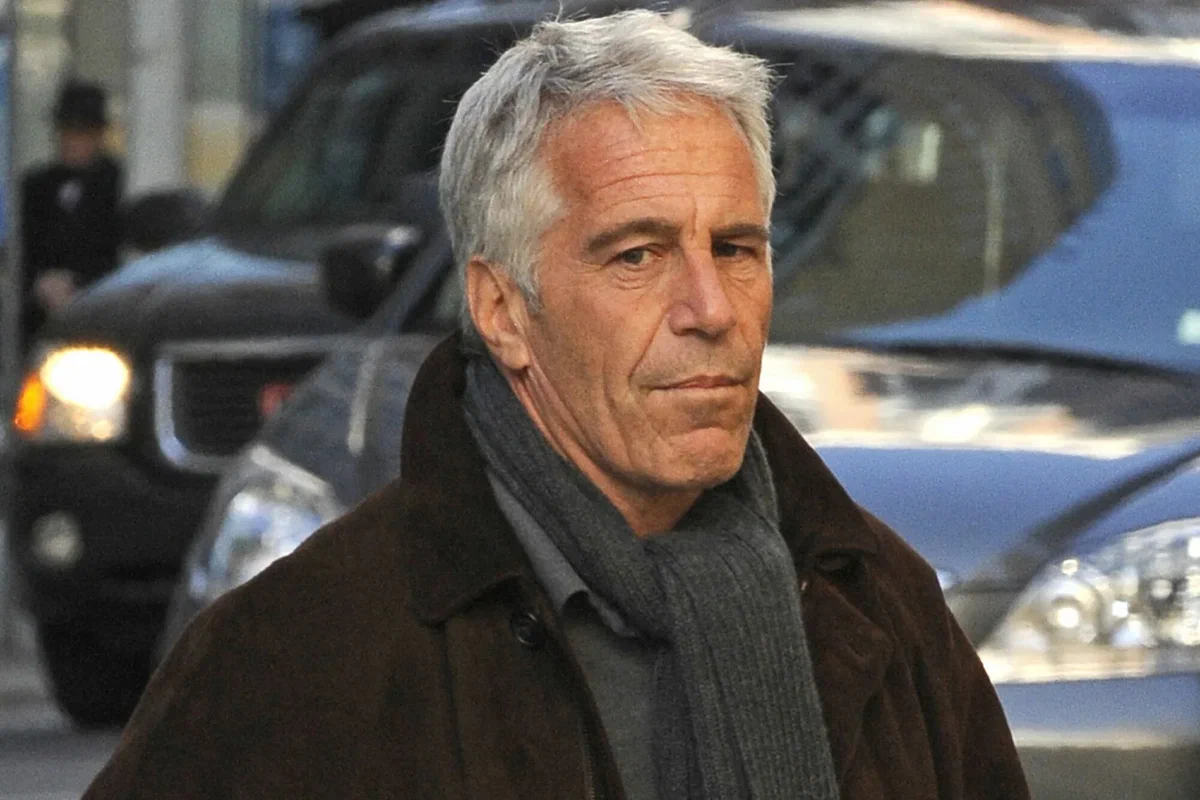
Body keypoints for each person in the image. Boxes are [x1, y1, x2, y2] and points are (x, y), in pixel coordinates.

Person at [85, 11, 1029, 799]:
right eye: (638, 256)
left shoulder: (874, 603)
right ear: (502, 311)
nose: (711, 310)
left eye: (736, 249)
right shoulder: (300, 658)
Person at [21, 80, 123, 348]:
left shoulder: (117, 185)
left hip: (100, 316)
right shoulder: (35, 186)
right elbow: (23, 247)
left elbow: (115, 250)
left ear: (98, 136)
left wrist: (77, 283)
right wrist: (39, 283)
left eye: (81, 133)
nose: (70, 141)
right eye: (65, 131)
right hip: (38, 322)